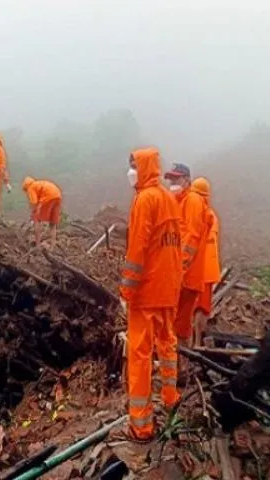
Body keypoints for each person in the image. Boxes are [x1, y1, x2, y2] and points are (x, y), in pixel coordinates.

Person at [118, 148, 182, 442]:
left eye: (134, 166)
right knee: (167, 346)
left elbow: (138, 249)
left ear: (143, 167)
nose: (131, 172)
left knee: (140, 355)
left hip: (146, 292)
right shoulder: (168, 198)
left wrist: (126, 290)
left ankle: (141, 426)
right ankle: (170, 399)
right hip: (168, 289)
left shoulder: (145, 199)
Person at [164, 163, 212, 352]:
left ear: (186, 180)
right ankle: (178, 360)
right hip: (183, 274)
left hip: (186, 275)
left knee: (178, 324)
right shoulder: (180, 201)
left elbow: (191, 237)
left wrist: (179, 268)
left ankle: (178, 361)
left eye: (176, 178)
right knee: (177, 323)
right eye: (170, 179)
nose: (172, 182)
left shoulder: (192, 201)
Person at [191, 177, 221, 346]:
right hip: (208, 270)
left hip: (199, 268)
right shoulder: (211, 215)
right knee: (200, 308)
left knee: (197, 308)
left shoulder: (202, 215)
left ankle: (195, 345)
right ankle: (195, 344)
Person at [21, 176, 62, 244]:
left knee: (37, 219)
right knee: (53, 223)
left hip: (47, 198)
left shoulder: (31, 188)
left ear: (26, 187)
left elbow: (34, 203)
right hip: (58, 195)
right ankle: (52, 245)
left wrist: (33, 214)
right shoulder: (38, 184)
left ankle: (38, 244)